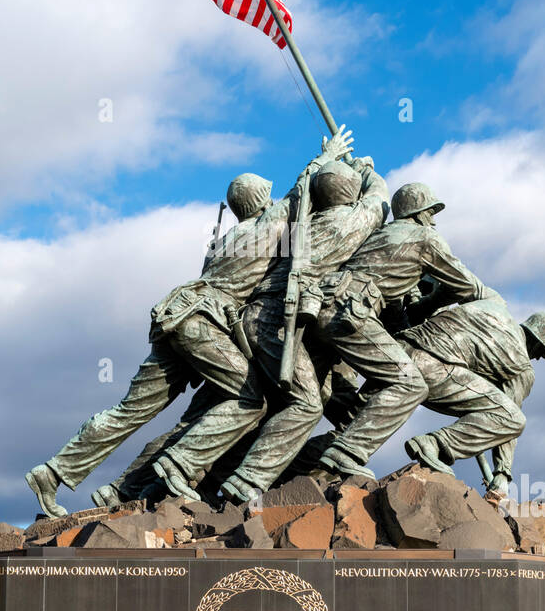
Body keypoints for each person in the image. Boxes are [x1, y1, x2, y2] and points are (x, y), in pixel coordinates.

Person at [23, 126, 355, 516]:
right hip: (201, 321)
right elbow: (303, 191)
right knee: (249, 399)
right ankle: (179, 466)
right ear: (262, 200)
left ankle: (55, 471)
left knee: (132, 411)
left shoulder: (225, 241)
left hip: (174, 315)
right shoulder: (269, 226)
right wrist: (328, 156)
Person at [151, 156, 389, 503]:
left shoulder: (296, 229)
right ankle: (241, 480)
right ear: (350, 194)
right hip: (276, 320)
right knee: (305, 403)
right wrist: (367, 169)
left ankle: (201, 473)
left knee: (277, 402)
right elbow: (378, 201)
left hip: (251, 320)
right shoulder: (350, 221)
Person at [311, 181, 491, 479]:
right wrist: (491, 301)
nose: (433, 220)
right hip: (350, 313)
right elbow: (466, 285)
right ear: (418, 213)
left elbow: (393, 307)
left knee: (338, 404)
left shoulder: (381, 236)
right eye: (430, 212)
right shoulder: (425, 238)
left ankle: (303, 466)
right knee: (411, 384)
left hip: (325, 307)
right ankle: (345, 453)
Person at [396, 294, 545, 496]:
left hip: (399, 348)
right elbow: (507, 419)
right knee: (514, 419)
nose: (537, 358)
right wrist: (502, 473)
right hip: (432, 369)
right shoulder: (521, 365)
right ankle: (435, 444)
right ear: (537, 342)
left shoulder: (493, 313)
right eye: (543, 352)